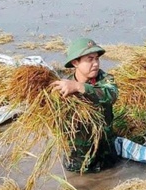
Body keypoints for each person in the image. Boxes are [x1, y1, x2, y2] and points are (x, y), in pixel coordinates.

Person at [51, 37, 119, 173]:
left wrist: (79, 87)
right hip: (76, 159)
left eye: (97, 59)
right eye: (89, 59)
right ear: (75, 62)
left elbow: (111, 95)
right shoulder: (63, 86)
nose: (95, 63)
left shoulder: (105, 80)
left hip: (104, 157)